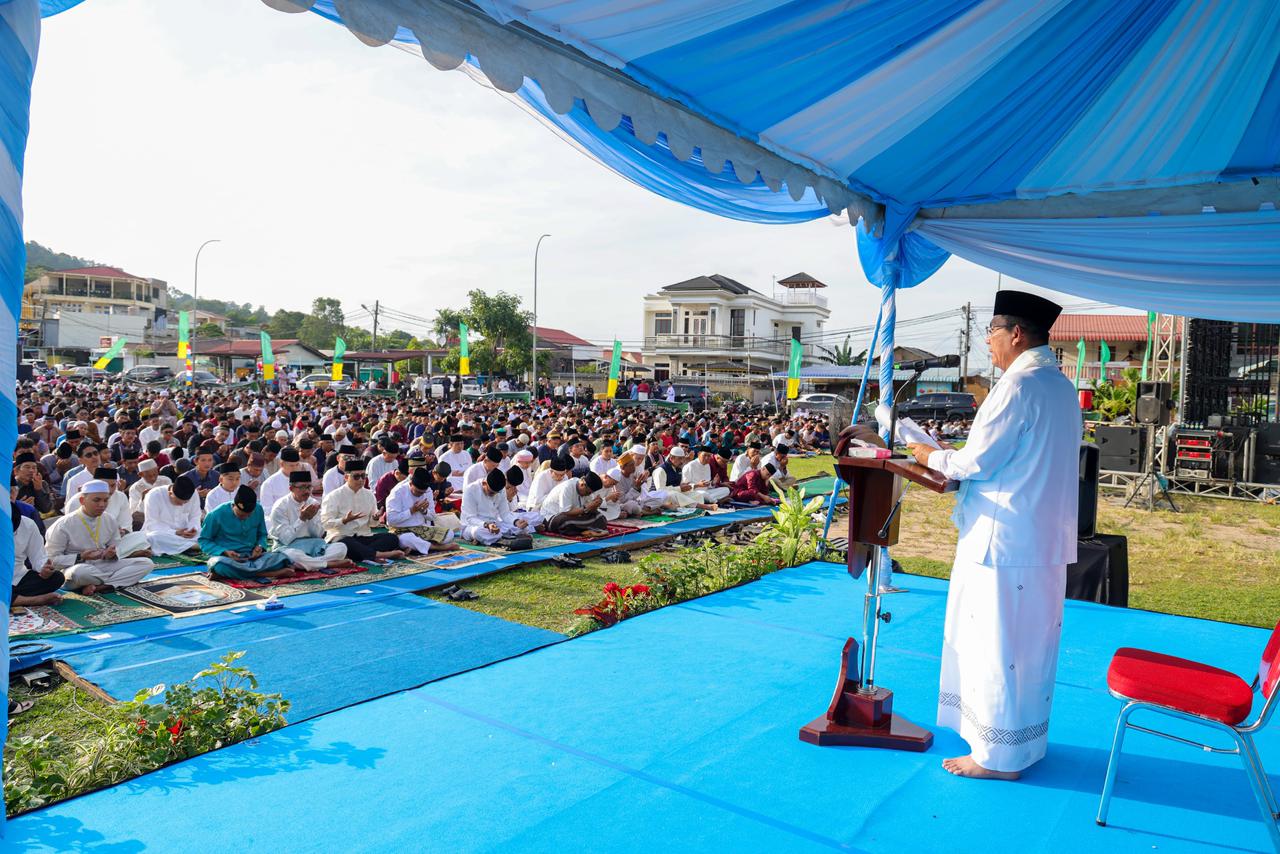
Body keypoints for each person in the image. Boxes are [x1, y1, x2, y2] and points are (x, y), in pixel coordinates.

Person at [906, 290, 1081, 781]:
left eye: (992, 332)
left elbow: (975, 462)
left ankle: (997, 758)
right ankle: (1021, 745)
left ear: (1016, 334)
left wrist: (925, 455)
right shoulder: (1059, 385)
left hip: (1004, 541)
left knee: (998, 647)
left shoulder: (1018, 385)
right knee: (1028, 649)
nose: (988, 342)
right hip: (1039, 539)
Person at [45, 480, 154, 593]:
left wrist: (111, 554)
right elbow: (51, 559)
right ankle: (114, 582)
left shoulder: (109, 519)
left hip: (103, 565)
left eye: (105, 500)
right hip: (74, 568)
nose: (102, 505)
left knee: (146, 564)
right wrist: (81, 557)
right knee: (79, 573)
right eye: (96, 500)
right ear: (82, 500)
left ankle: (99, 586)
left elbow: (115, 547)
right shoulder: (63, 524)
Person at [201, 485, 299, 581]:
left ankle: (232, 574)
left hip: (253, 557)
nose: (246, 517)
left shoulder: (258, 509)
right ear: (234, 505)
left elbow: (262, 534)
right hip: (228, 559)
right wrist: (224, 551)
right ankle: (270, 573)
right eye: (241, 515)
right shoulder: (215, 515)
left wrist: (260, 546)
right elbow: (204, 541)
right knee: (219, 565)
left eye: (249, 515)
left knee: (282, 559)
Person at [320, 459, 405, 561]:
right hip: (342, 536)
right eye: (356, 477)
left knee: (392, 538)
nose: (361, 480)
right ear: (346, 477)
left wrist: (375, 518)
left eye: (363, 476)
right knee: (345, 543)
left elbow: (372, 525)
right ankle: (381, 554)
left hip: (363, 536)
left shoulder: (369, 495)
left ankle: (363, 554)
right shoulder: (333, 496)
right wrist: (343, 520)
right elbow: (325, 524)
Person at [268, 471, 350, 570]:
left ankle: (309, 564)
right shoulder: (280, 506)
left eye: (309, 487)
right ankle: (329, 564)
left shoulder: (313, 503)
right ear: (291, 488)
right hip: (289, 546)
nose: (307, 491)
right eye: (302, 487)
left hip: (313, 545)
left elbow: (318, 535)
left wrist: (310, 519)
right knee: (293, 555)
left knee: (341, 547)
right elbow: (285, 539)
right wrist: (302, 519)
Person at [386, 467, 459, 552]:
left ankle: (418, 546)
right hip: (401, 530)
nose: (420, 495)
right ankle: (437, 547)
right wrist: (412, 511)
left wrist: (424, 511)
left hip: (421, 529)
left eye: (422, 493)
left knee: (449, 534)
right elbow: (391, 520)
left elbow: (432, 517)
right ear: (410, 484)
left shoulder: (427, 491)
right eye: (417, 491)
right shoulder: (397, 492)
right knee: (406, 539)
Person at [12, 501, 64, 606]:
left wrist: (44, 569)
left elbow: (38, 557)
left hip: (17, 577)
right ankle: (33, 600)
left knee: (57, 577)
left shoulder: (27, 524)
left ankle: (13, 599)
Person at [459, 468, 526, 545]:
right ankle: (501, 539)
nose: (494, 495)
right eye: (491, 493)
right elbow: (470, 518)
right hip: (473, 526)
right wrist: (486, 525)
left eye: (496, 493)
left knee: (519, 527)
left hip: (495, 525)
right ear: (484, 483)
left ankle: (495, 538)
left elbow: (505, 514)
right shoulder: (471, 490)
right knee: (478, 532)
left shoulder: (501, 490)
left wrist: (516, 522)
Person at [142, 476, 202, 555]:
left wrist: (193, 529)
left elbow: (195, 516)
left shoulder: (194, 493)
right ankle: (193, 546)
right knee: (152, 537)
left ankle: (185, 546)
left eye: (185, 503)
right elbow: (152, 524)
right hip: (165, 535)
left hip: (186, 534)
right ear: (170, 493)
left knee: (205, 532)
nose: (181, 505)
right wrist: (175, 532)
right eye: (179, 502)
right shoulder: (154, 495)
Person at [541, 471, 608, 537]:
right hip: (553, 517)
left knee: (601, 517)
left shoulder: (587, 491)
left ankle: (585, 530)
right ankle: (588, 529)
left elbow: (588, 510)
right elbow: (565, 512)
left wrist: (595, 505)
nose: (589, 494)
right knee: (566, 523)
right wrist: (586, 507)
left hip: (575, 516)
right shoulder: (567, 487)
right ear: (582, 485)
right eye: (588, 492)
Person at [128, 458, 170, 531]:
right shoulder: (135, 488)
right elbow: (135, 513)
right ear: (140, 474)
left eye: (155, 474)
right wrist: (143, 499)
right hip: (147, 520)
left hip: (168, 517)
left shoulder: (166, 481)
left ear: (158, 469)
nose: (153, 478)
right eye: (149, 476)